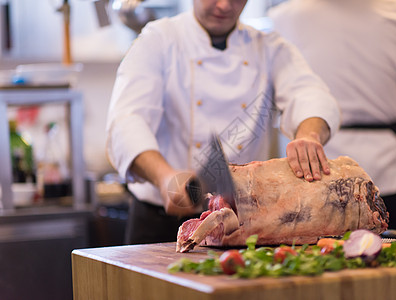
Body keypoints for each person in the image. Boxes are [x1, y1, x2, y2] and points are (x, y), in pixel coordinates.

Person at [106, 0, 340, 245]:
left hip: (240, 222)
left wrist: (309, 135)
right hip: (160, 223)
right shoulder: (157, 40)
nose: (224, 6)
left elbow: (309, 94)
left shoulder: (269, 47)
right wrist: (164, 178)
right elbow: (127, 119)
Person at [269, 0, 396, 232]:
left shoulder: (282, 17)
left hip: (314, 174)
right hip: (389, 166)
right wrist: (392, 130)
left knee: (318, 262)